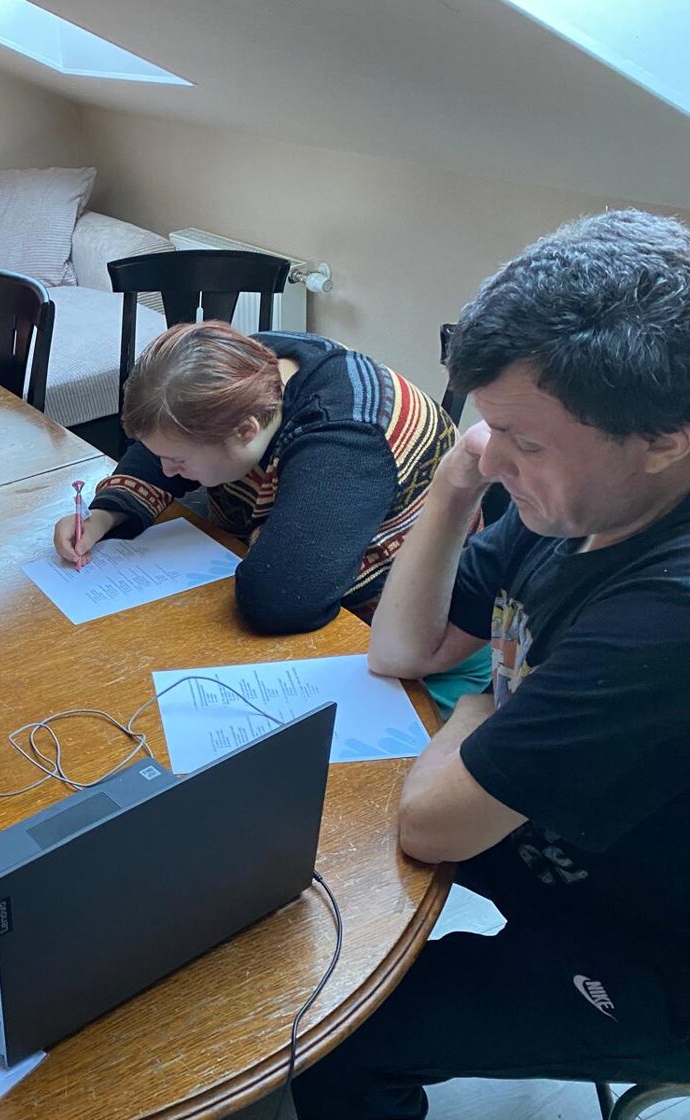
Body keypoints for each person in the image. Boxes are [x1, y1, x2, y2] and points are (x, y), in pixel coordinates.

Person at [291, 210, 690, 1118]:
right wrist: (451, 484)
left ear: (665, 437)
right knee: (298, 855)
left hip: (650, 948)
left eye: (525, 440)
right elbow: (405, 647)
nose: (494, 452)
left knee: (336, 1041)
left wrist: (476, 713)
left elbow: (436, 826)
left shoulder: (668, 606)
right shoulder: (576, 501)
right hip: (549, 842)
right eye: (487, 424)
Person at [59, 322, 469, 638]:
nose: (165, 470)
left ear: (245, 431)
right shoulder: (240, 375)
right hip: (296, 549)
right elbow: (161, 442)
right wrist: (105, 516)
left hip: (399, 617)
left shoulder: (345, 441)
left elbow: (280, 600)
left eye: (178, 461)